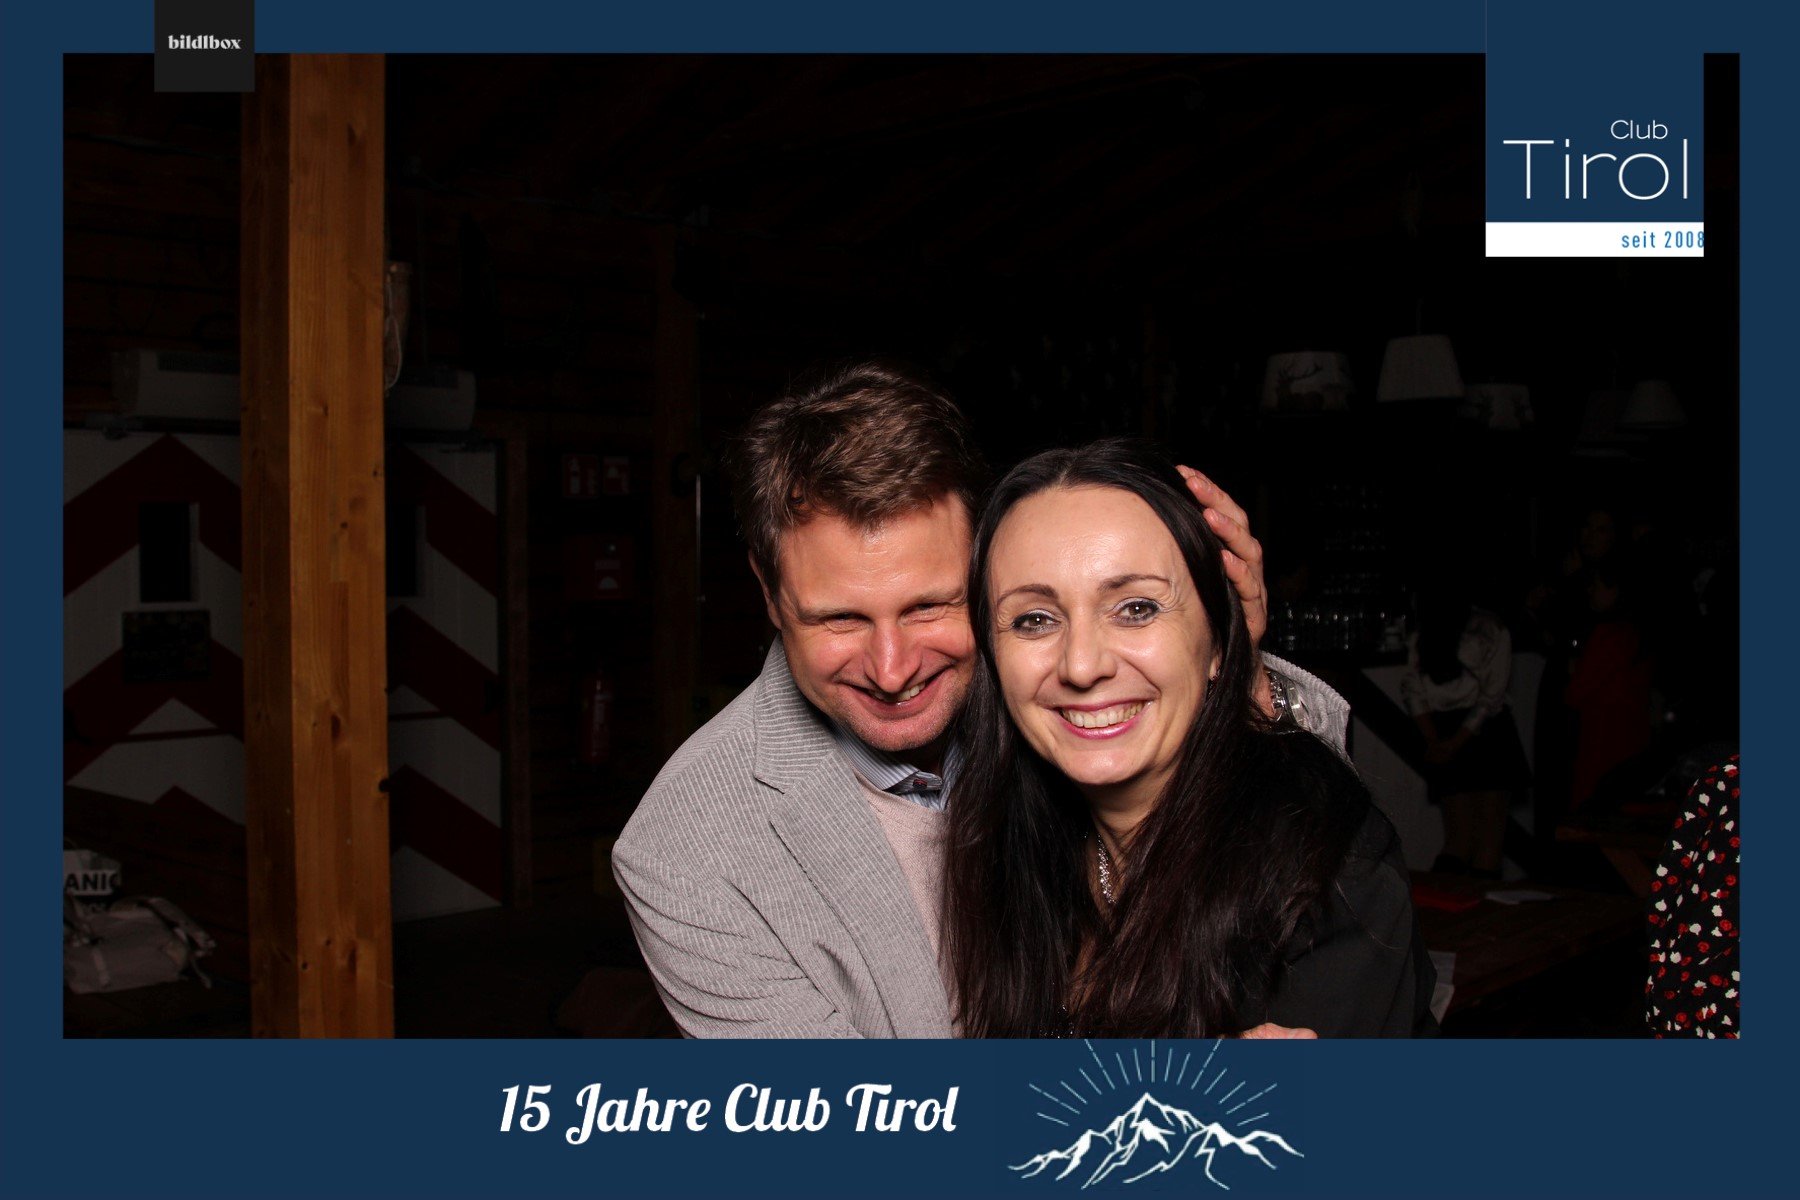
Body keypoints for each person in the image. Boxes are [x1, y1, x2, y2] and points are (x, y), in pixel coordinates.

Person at [612, 360, 1348, 1037]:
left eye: (930, 606)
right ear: (770, 593)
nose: (892, 670)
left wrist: (1232, 664)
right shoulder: (687, 852)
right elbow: (854, 1125)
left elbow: (1319, 849)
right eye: (840, 619)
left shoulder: (1057, 683)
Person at [943, 439, 1434, 1038]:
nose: (1081, 665)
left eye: (1137, 608)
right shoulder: (1008, 849)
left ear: (1221, 640)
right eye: (1035, 619)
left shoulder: (1331, 875)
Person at [1400, 578, 1532, 878]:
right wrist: (1448, 743)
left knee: (1458, 839)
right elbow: (1491, 697)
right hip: (1485, 733)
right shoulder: (1488, 628)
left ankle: (1447, 902)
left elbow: (1413, 691)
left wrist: (1437, 741)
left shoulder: (1424, 631)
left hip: (1453, 731)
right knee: (1487, 843)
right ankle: (1470, 905)